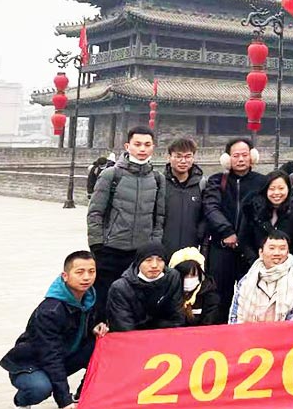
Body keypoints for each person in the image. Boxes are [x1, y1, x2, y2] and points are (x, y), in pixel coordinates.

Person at [0, 251, 107, 409]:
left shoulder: (90, 297)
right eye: (79, 272)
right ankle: (23, 402)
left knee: (104, 344)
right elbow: (51, 355)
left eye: (91, 271)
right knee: (40, 388)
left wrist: (96, 326)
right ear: (65, 276)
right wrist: (64, 400)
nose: (86, 277)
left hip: (64, 355)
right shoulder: (51, 310)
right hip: (31, 363)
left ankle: (84, 394)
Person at [86, 126, 166, 320]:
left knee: (137, 302)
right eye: (137, 144)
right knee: (104, 300)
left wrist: (154, 245)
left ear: (153, 147)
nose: (142, 149)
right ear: (127, 146)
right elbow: (95, 212)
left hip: (140, 253)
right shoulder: (111, 175)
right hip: (111, 249)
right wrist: (97, 245)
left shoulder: (157, 178)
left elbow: (159, 216)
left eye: (147, 145)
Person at [202, 138, 269, 315]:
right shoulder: (217, 180)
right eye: (236, 155)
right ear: (227, 158)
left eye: (244, 155)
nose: (240, 159)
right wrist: (226, 231)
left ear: (252, 157)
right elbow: (210, 207)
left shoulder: (262, 182)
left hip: (250, 250)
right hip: (221, 248)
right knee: (218, 297)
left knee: (251, 297)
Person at [229, 231, 293, 323]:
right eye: (272, 248)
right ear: (261, 252)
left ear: (288, 252)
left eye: (282, 248)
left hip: (285, 335)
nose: (277, 253)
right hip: (249, 335)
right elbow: (235, 317)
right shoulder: (246, 281)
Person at [106, 242, 184, 332]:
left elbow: (177, 317)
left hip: (164, 335)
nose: (154, 265)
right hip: (133, 338)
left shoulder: (172, 278)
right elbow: (123, 326)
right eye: (148, 260)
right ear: (139, 262)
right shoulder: (120, 288)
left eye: (160, 260)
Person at [238, 171, 293, 266]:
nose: (277, 193)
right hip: (256, 266)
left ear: (288, 189)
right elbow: (244, 240)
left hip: (288, 267)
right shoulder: (253, 209)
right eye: (272, 189)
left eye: (281, 188)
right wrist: (257, 262)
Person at [161, 137, 205, 260]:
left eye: (187, 156)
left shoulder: (202, 185)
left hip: (191, 250)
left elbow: (204, 217)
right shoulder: (160, 183)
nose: (183, 161)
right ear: (169, 157)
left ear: (193, 158)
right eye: (178, 156)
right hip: (164, 249)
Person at [168, 247, 222, 326]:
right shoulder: (168, 295)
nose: (189, 279)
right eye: (185, 276)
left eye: (193, 275)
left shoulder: (210, 296)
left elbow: (211, 323)